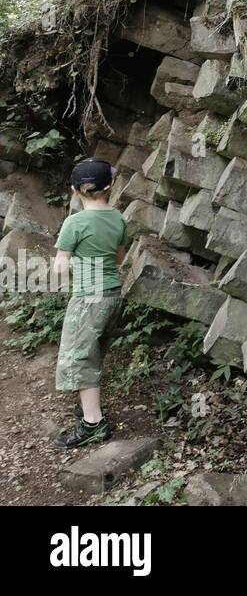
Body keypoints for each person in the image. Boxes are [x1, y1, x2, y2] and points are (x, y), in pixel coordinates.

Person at [51, 158, 127, 448]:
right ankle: (88, 408)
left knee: (80, 359)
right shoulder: (119, 219)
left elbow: (60, 267)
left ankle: (93, 424)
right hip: (112, 296)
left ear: (74, 190)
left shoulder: (75, 222)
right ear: (109, 186)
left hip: (88, 299)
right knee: (92, 353)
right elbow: (119, 259)